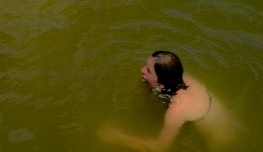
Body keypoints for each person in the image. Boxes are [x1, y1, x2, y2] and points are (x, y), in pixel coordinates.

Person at [100, 51, 233, 150]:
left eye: (148, 70)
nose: (142, 69)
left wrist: (118, 137)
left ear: (162, 82)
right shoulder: (178, 76)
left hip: (220, 141)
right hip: (223, 120)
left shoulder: (177, 109)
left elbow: (159, 147)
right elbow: (158, 87)